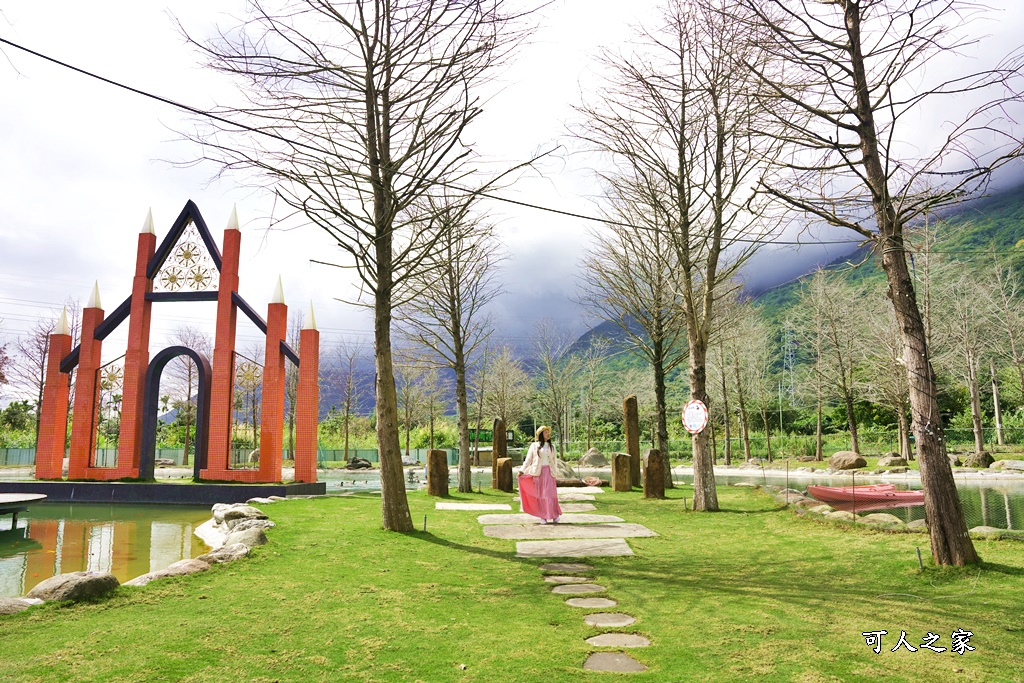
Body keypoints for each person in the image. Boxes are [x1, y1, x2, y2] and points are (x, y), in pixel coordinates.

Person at [518, 425, 562, 524]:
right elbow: (528, 460)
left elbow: (554, 461)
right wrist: (522, 470)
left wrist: (555, 472)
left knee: (551, 494)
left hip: (549, 473)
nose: (548, 434)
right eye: (546, 432)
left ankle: (554, 515)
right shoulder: (534, 446)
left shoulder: (552, 446)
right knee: (541, 495)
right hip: (538, 473)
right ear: (541, 434)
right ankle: (543, 516)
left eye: (548, 432)